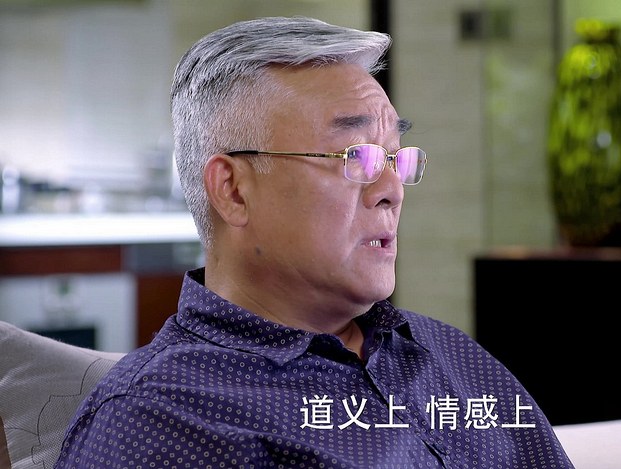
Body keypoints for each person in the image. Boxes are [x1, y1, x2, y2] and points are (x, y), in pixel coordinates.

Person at [55, 16, 575, 468]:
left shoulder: (446, 352)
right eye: (355, 156)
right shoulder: (159, 420)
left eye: (395, 158)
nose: (392, 190)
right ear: (233, 190)